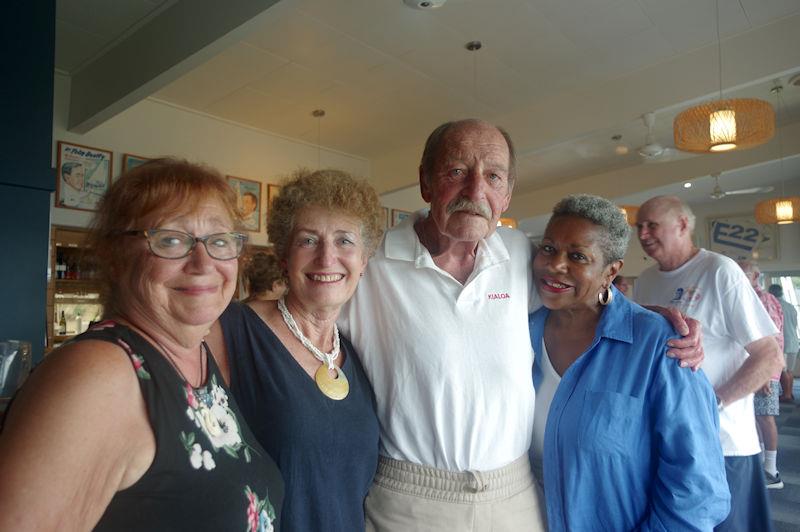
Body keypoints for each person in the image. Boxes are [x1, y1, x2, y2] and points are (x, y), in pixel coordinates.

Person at [339, 119, 703, 531]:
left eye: (493, 176)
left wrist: (652, 320)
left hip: (515, 496)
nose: (475, 191)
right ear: (425, 182)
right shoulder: (371, 262)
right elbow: (307, 318)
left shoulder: (518, 255)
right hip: (411, 500)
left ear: (507, 194)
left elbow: (578, 291)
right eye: (456, 171)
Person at [0, 158, 279, 530]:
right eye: (171, 239)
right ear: (116, 258)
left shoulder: (197, 356)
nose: (203, 262)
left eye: (219, 240)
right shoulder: (99, 377)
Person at [530, 194, 729, 531]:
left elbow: (697, 488)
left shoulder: (659, 344)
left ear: (611, 272)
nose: (554, 264)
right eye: (548, 248)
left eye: (577, 256)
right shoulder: (520, 332)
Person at [207, 169, 382, 531]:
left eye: (345, 241)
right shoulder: (231, 330)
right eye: (307, 241)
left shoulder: (354, 351)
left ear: (364, 261)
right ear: (283, 256)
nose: (327, 258)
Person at [634, 195, 784, 532]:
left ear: (683, 225)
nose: (642, 234)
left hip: (724, 444)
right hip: (668, 443)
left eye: (652, 225)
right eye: (639, 227)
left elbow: (768, 353)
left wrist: (711, 403)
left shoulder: (719, 271)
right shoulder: (646, 280)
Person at [769, 283, 798, 403]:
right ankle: (789, 393)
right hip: (794, 341)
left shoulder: (774, 305)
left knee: (783, 370)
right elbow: (795, 324)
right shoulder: (791, 306)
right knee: (790, 370)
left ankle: (786, 395)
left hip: (783, 343)